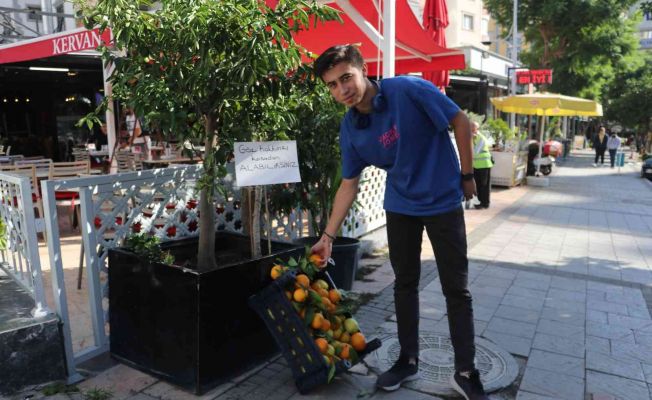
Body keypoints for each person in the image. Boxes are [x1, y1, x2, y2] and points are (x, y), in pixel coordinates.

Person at [310, 45, 488, 400]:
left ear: (363, 69)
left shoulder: (408, 89)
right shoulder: (351, 127)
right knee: (404, 284)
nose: (342, 89)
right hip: (401, 206)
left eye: (346, 77)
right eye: (332, 85)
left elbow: (460, 121)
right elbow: (349, 184)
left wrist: (467, 175)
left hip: (442, 201)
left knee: (456, 288)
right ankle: (407, 360)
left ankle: (466, 371)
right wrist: (328, 235)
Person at [471, 122, 494, 209]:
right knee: (477, 185)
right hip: (477, 165)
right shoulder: (474, 138)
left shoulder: (480, 138)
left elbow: (475, 152)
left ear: (477, 129)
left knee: (484, 185)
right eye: (470, 128)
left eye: (473, 128)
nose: (471, 130)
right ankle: (479, 203)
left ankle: (484, 203)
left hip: (484, 165)